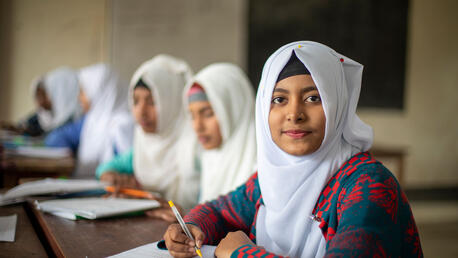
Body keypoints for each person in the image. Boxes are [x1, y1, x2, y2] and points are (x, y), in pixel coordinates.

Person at [163, 41, 422, 257]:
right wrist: (191, 227)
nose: (294, 114)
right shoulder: (271, 179)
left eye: (313, 98)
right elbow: (221, 210)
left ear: (337, 105)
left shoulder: (369, 186)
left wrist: (241, 254)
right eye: (279, 99)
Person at [96, 55, 200, 220]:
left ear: (173, 103)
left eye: (152, 102)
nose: (141, 111)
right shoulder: (144, 144)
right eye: (136, 101)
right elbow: (105, 168)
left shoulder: (196, 146)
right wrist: (112, 177)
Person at [46, 64, 134, 178]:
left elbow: (125, 169)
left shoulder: (123, 125)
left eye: (83, 91)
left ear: (98, 92)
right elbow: (56, 138)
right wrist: (68, 153)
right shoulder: (93, 119)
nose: (79, 97)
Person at [185, 63, 256, 203]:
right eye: (192, 116)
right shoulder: (210, 158)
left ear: (234, 109)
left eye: (208, 113)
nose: (197, 127)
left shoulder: (260, 170)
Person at [4, 67, 81, 136]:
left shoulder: (77, 122)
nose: (40, 104)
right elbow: (25, 125)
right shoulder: (45, 116)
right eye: (38, 98)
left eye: (45, 96)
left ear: (62, 93)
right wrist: (18, 128)